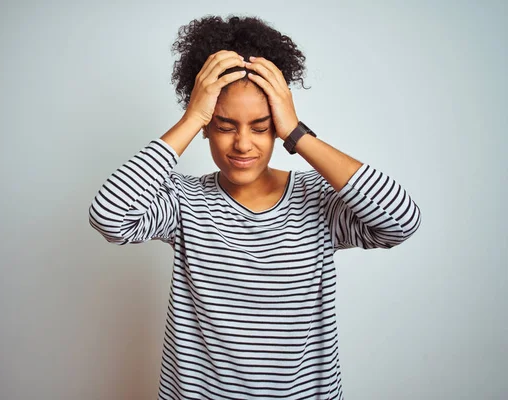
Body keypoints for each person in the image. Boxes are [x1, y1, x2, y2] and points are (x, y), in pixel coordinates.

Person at [89, 15, 421, 400]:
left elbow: (401, 222)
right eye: (225, 126)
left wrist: (298, 132)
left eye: (261, 127)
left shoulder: (319, 200)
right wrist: (192, 116)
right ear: (207, 128)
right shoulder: (183, 202)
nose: (243, 144)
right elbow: (110, 216)